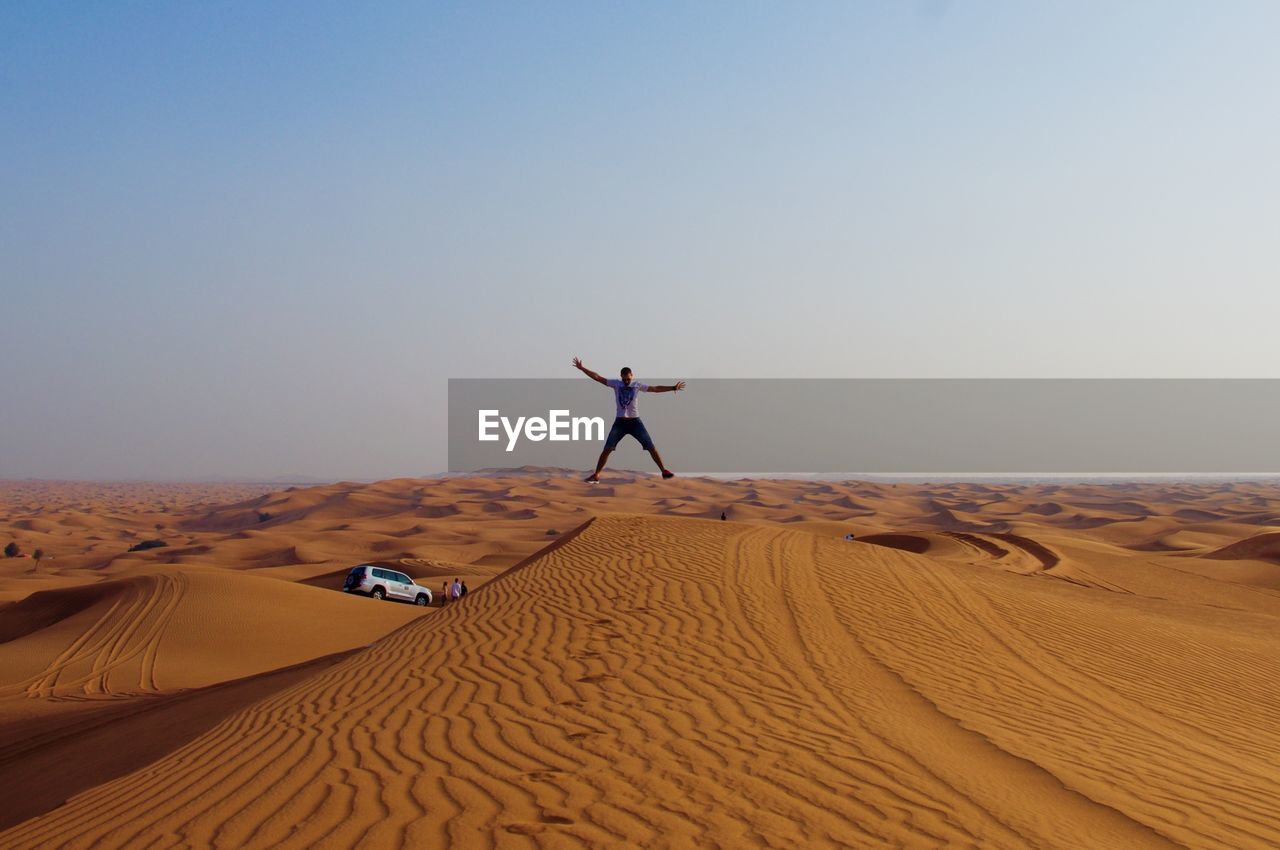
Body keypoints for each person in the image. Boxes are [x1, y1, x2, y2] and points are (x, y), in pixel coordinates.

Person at [572, 357, 685, 483]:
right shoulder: (616, 384)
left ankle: (664, 470)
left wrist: (672, 388)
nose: (626, 381)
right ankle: (596, 475)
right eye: (624, 379)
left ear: (632, 376)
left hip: (635, 422)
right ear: (621, 376)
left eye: (628, 378)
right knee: (607, 449)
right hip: (620, 423)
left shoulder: (637, 385)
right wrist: (582, 369)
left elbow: (655, 389)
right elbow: (598, 378)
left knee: (651, 447)